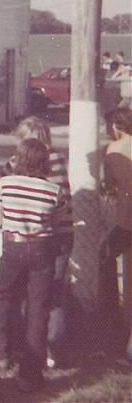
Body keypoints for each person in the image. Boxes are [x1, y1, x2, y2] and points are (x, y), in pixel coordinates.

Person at [0, 116, 71, 368]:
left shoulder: (12, 169)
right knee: (48, 296)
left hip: (20, 238)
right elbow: (61, 205)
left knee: (10, 295)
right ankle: (48, 351)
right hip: (53, 235)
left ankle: (5, 351)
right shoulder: (57, 160)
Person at [100, 107, 132, 360]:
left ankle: (114, 328)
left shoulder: (111, 152)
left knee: (105, 258)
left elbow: (108, 189)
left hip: (125, 223)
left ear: (115, 127)